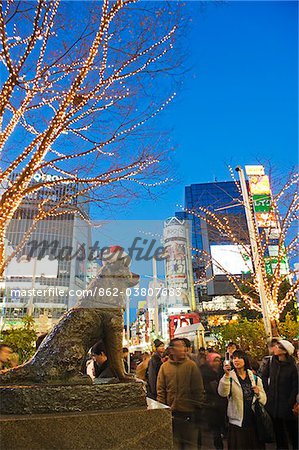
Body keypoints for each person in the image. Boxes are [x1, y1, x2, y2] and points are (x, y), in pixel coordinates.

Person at [157, 338, 205, 449]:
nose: (183, 349)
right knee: (175, 445)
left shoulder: (191, 366)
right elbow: (161, 391)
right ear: (172, 350)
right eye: (180, 346)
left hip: (189, 414)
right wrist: (163, 410)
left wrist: (197, 407)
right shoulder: (164, 367)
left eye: (184, 346)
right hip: (172, 414)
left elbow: (198, 389)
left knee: (191, 445)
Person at [218, 349, 267, 450]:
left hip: (254, 421)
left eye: (239, 358)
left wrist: (258, 393)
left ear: (245, 360)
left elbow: (264, 400)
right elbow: (222, 393)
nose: (236, 360)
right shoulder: (229, 378)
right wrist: (226, 375)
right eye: (234, 358)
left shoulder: (255, 378)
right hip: (237, 423)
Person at [262, 339, 298, 450]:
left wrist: (290, 402)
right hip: (273, 400)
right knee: (277, 429)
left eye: (278, 346)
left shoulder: (292, 366)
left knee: (292, 428)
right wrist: (267, 392)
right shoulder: (272, 361)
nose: (275, 348)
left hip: (286, 401)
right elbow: (264, 376)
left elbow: (295, 386)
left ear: (285, 350)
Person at [200, 352, 227, 450]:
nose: (218, 362)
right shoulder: (203, 372)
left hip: (223, 403)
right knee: (215, 429)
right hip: (211, 404)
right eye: (215, 360)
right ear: (209, 361)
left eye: (219, 360)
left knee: (224, 426)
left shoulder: (223, 371)